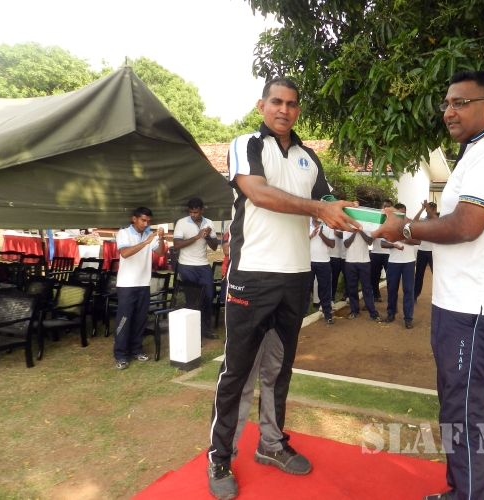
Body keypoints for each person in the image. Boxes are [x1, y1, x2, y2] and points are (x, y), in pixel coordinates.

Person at [373, 70, 484, 500]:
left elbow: (465, 225)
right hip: (455, 303)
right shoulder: (476, 154)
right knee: (454, 405)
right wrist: (408, 230)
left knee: (467, 411)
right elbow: (454, 225)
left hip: (474, 307)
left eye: (460, 102)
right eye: (446, 103)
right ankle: (460, 490)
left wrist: (405, 228)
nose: (448, 111)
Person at [207, 77, 358, 500]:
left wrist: (382, 220)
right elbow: (258, 194)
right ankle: (220, 456)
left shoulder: (309, 157)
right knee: (238, 371)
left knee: (278, 368)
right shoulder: (247, 145)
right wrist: (318, 208)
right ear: (262, 106)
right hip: (252, 276)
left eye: (292, 104)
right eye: (276, 101)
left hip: (296, 276)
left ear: (298, 110)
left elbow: (332, 205)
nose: (284, 110)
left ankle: (271, 444)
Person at [113, 207, 165, 370]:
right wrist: (146, 242)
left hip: (144, 283)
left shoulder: (149, 235)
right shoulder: (124, 233)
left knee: (140, 318)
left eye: (148, 221)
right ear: (134, 219)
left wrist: (161, 239)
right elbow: (125, 253)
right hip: (127, 284)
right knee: (124, 319)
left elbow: (161, 253)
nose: (146, 224)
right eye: (143, 220)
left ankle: (136, 350)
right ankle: (120, 355)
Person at [172, 198, 219, 340]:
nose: (193, 215)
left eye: (196, 212)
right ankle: (191, 330)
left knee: (208, 296)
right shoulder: (182, 223)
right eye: (191, 212)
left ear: (202, 210)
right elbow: (176, 245)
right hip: (186, 265)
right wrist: (197, 237)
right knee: (191, 298)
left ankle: (205, 329)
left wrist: (207, 236)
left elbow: (214, 247)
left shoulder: (209, 223)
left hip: (203, 265)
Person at [382, 203, 420, 329]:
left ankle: (408, 318)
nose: (401, 215)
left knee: (408, 290)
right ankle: (391, 313)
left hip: (409, 262)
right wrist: (394, 244)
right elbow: (383, 244)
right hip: (394, 262)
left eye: (403, 212)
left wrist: (401, 239)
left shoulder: (411, 226)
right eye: (399, 212)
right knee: (392, 289)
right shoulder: (389, 225)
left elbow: (418, 241)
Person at [343, 228, 384, 322]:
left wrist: (360, 231)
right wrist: (354, 233)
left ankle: (373, 313)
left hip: (364, 262)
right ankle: (354, 311)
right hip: (350, 261)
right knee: (352, 288)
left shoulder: (367, 228)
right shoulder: (346, 229)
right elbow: (346, 244)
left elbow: (369, 242)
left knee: (367, 288)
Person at [305, 217, 336, 323]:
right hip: (308, 261)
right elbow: (300, 242)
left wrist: (321, 235)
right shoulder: (305, 224)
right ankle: (302, 314)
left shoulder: (328, 227)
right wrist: (311, 236)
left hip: (324, 262)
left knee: (325, 289)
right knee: (306, 289)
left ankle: (327, 314)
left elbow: (332, 244)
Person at [414, 200, 438, 303]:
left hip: (434, 252)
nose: (429, 211)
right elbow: (414, 222)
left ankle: (438, 297)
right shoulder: (423, 220)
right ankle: (415, 295)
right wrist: (422, 209)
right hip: (422, 251)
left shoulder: (438, 221)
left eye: (432, 210)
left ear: (435, 210)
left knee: (436, 275)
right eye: (428, 209)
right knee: (419, 275)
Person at [370, 199, 393, 302]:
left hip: (389, 253)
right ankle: (376, 294)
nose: (386, 208)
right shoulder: (376, 220)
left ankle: (391, 297)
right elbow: (371, 236)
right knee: (374, 277)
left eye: (388, 207)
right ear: (381, 207)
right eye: (384, 206)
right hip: (375, 252)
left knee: (391, 277)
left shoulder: (393, 221)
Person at [330, 229, 348, 302]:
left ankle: (347, 295)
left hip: (345, 256)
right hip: (334, 256)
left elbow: (347, 236)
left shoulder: (344, 227)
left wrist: (337, 233)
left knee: (347, 277)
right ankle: (332, 297)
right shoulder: (328, 227)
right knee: (333, 278)